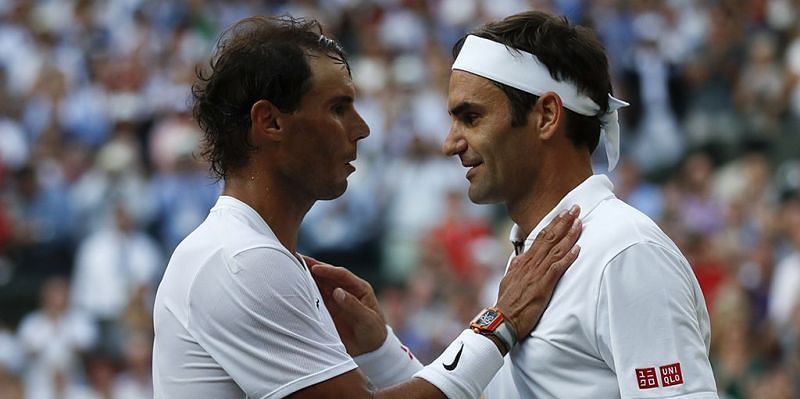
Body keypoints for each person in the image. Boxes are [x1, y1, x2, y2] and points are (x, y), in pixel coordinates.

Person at [151, 15, 583, 399]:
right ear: (270, 122)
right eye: (339, 108)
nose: (362, 129)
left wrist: (378, 348)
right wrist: (498, 323)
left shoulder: (247, 253)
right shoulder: (243, 260)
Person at [324, 11, 720, 399]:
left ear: (547, 115)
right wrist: (380, 349)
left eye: (471, 117)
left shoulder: (625, 252)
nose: (450, 143)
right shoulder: (534, 257)